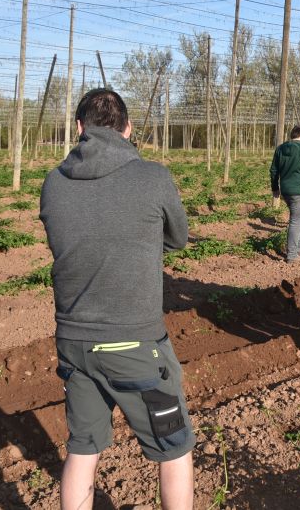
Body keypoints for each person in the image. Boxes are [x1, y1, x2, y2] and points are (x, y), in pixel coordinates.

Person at [40, 88, 193, 510]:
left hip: (74, 344)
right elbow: (179, 239)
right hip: (135, 344)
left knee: (83, 449)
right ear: (127, 129)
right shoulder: (153, 176)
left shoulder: (53, 182)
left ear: (78, 128)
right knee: (174, 448)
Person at [270, 125, 300, 263]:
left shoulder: (280, 148)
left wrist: (275, 187)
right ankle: (291, 255)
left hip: (286, 190)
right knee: (296, 221)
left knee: (299, 218)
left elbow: (274, 170)